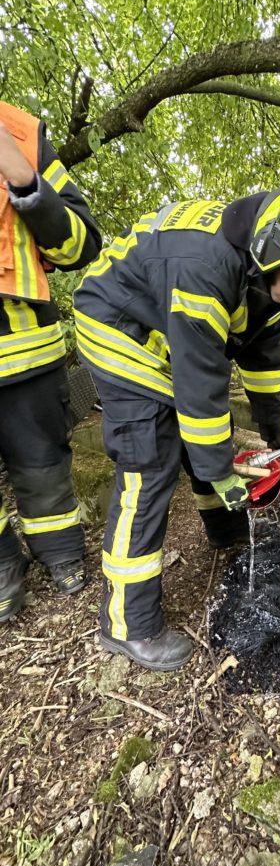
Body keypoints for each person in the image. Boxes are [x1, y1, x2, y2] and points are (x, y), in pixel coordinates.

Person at [73, 179, 280, 671]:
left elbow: (262, 361)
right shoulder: (207, 267)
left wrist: (274, 435)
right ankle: (128, 624)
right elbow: (199, 384)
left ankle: (224, 529)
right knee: (152, 459)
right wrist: (218, 468)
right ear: (275, 249)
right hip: (119, 328)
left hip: (168, 331)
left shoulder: (267, 279)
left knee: (208, 433)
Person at [0, 101, 102, 623]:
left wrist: (26, 183)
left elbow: (82, 243)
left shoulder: (20, 131)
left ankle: (60, 550)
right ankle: (3, 565)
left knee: (41, 463)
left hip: (24, 350)